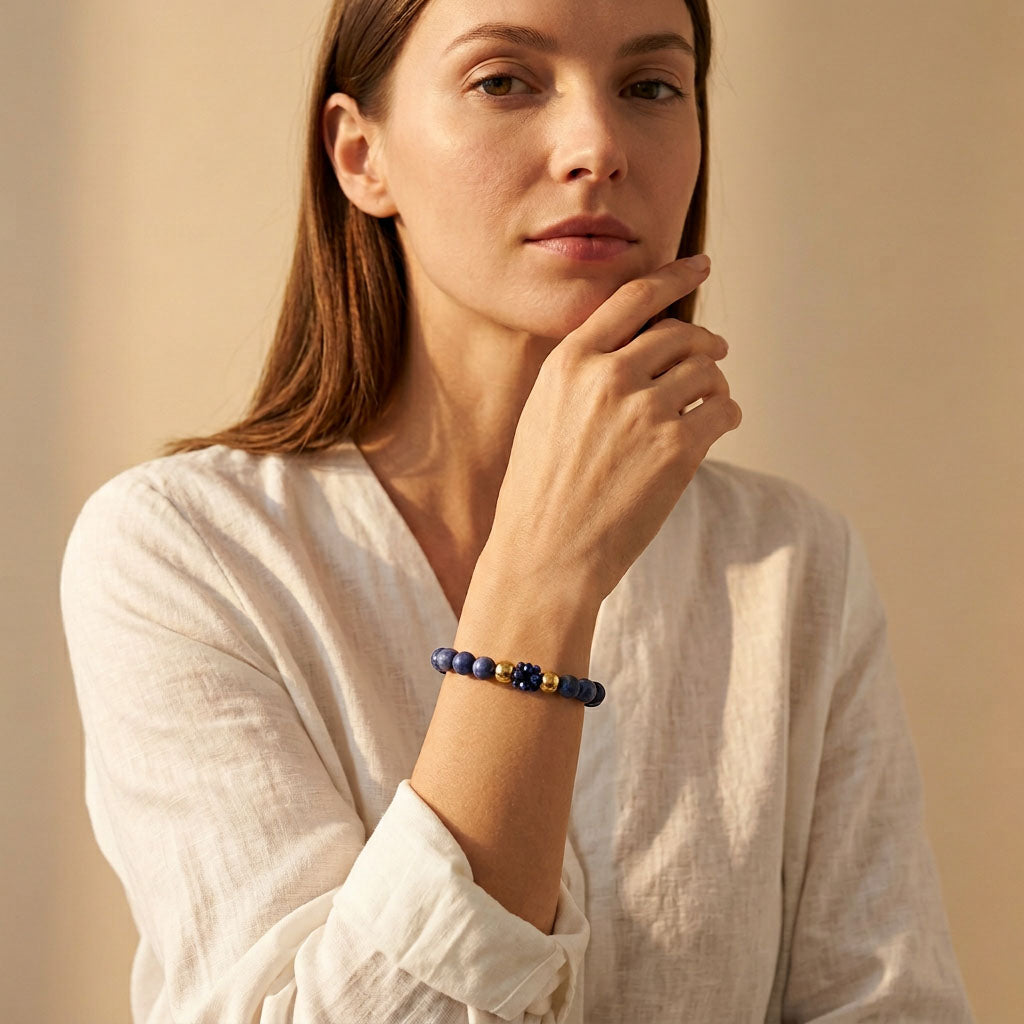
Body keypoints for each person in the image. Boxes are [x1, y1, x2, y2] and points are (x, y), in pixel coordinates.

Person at [59, 1, 976, 1021]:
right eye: (505, 80)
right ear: (361, 156)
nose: (597, 145)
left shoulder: (790, 562)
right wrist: (542, 576)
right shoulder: (186, 555)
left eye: (650, 87)